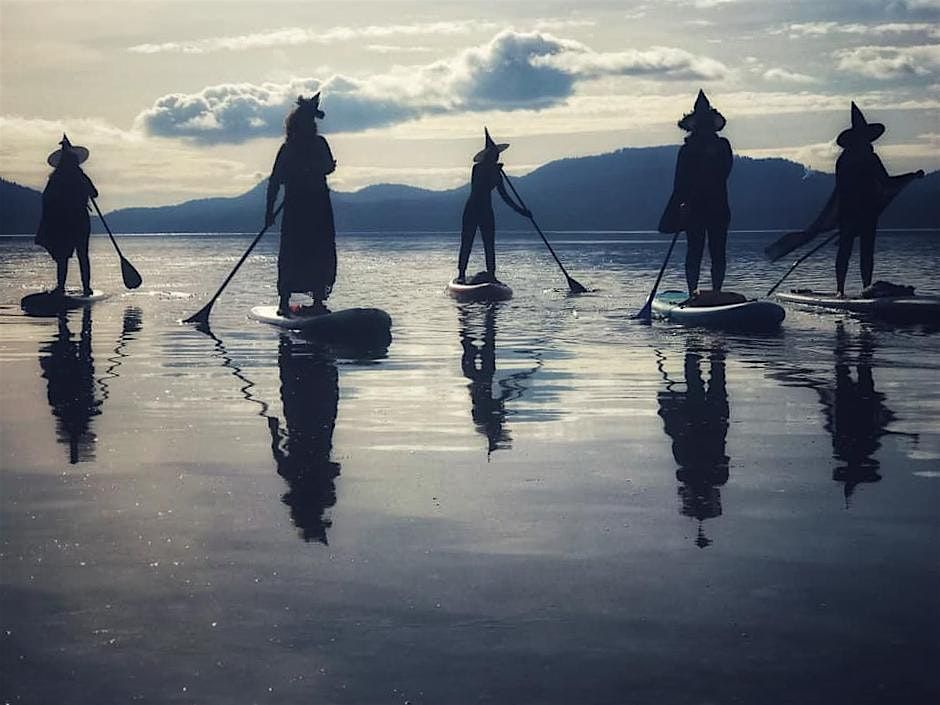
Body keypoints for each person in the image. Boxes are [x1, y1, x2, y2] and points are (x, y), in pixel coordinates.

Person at [833, 103, 924, 296]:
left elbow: (886, 182)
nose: (865, 141)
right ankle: (840, 290)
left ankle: (866, 288)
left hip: (868, 210)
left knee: (867, 251)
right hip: (849, 211)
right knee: (845, 251)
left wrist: (911, 175)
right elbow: (842, 188)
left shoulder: (872, 159)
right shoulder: (845, 160)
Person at [265, 93, 337, 316]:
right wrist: (269, 211)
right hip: (297, 208)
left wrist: (317, 169)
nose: (310, 126)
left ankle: (317, 301)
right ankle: (284, 301)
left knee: (320, 251)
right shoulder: (288, 149)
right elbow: (275, 180)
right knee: (293, 252)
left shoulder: (319, 144)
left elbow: (327, 166)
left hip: (318, 207)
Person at [659, 90, 733, 297]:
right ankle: (693, 292)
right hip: (695, 207)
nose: (705, 127)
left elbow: (725, 171)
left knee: (718, 251)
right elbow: (680, 182)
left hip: (717, 206)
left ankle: (717, 291)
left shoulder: (721, 146)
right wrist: (681, 205)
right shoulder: (687, 150)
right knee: (695, 250)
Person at [455, 128, 531, 284]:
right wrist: (492, 171)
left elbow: (505, 196)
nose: (496, 157)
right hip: (472, 209)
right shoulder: (477, 169)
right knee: (467, 241)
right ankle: (461, 274)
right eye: (493, 155)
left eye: (497, 155)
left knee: (489, 243)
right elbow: (478, 186)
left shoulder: (496, 174)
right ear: (488, 156)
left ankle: (491, 274)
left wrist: (521, 211)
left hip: (486, 210)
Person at [35, 134, 98, 295]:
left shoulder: (56, 178)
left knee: (63, 255)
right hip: (79, 220)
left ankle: (62, 287)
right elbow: (94, 193)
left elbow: (47, 199)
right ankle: (86, 287)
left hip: (64, 222)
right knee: (82, 254)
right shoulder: (80, 176)